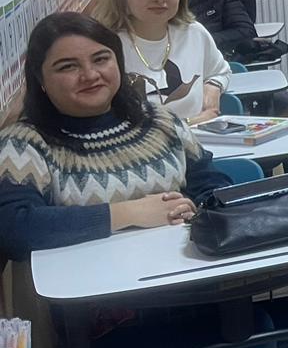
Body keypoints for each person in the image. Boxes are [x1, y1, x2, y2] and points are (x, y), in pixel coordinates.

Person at [0, 13, 228, 260]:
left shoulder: (159, 120)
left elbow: (211, 185)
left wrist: (196, 209)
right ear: (40, 79)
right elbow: (14, 228)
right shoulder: (23, 144)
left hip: (183, 268)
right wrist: (130, 213)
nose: (90, 75)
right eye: (68, 67)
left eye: (101, 59)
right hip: (88, 281)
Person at [89, 0, 229, 123]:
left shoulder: (193, 33)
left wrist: (213, 87)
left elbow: (220, 72)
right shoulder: (103, 47)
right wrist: (192, 122)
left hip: (200, 138)